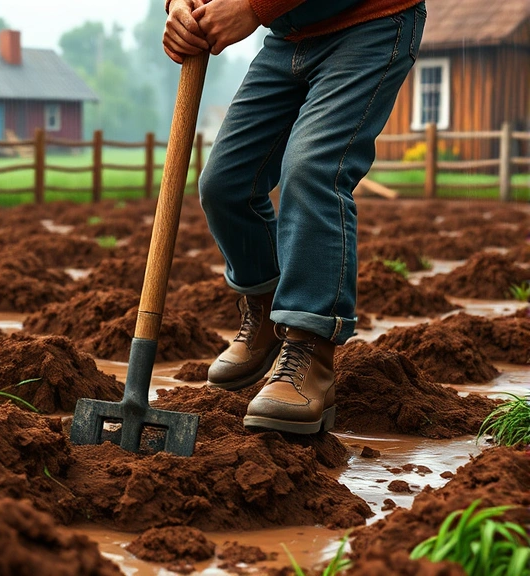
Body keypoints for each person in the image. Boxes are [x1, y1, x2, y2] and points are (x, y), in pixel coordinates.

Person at [163, 0, 426, 434]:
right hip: (288, 37)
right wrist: (179, 5)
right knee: (225, 185)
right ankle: (266, 313)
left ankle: (309, 352)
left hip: (368, 22)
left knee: (310, 172)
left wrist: (253, 6)